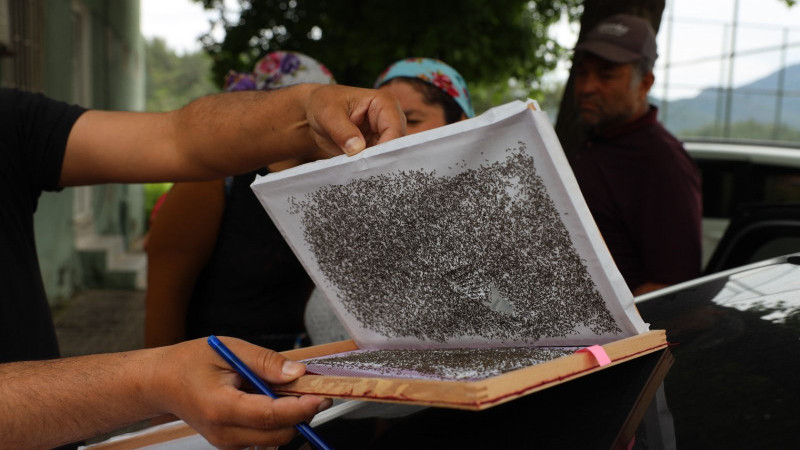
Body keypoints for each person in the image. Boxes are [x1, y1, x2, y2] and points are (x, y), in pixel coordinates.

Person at [0, 83, 405, 449]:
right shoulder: (214, 198)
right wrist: (154, 382)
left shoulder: (11, 118)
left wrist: (305, 109)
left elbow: (177, 137)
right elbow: (166, 295)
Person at [145, 52, 336, 352]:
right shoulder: (214, 182)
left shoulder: (330, 177)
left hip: (311, 373)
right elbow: (163, 305)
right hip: (226, 372)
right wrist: (161, 389)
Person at [304, 57, 475, 346]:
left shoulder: (490, 223)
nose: (391, 134)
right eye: (377, 122)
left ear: (461, 123)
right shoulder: (351, 221)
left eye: (413, 119)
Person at [567, 14, 702, 296]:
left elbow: (671, 288)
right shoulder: (596, 141)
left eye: (606, 74)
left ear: (644, 84)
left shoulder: (662, 162)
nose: (587, 87)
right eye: (582, 72)